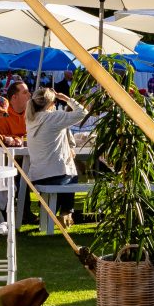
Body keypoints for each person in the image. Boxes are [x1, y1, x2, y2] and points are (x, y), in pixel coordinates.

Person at [24, 86, 90, 221]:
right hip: (57, 175)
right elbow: (83, 113)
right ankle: (66, 213)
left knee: (67, 174)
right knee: (71, 175)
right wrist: (65, 98)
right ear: (51, 103)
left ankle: (52, 215)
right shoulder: (53, 117)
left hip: (37, 175)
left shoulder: (31, 119)